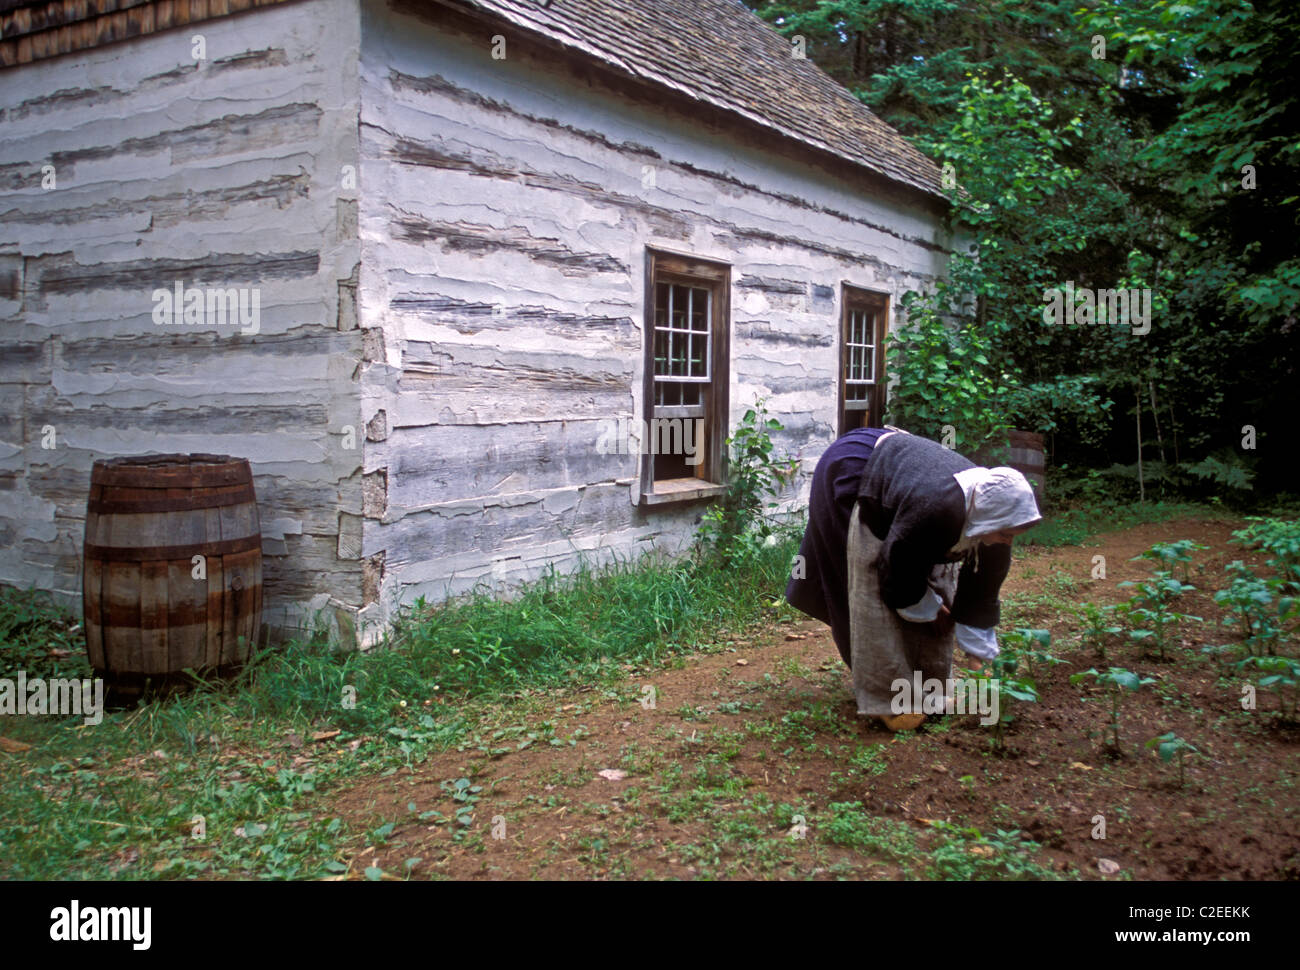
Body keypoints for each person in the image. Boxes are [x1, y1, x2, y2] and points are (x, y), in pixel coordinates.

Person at [785, 427, 1041, 731]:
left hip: (906, 486)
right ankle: (892, 701)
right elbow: (898, 573)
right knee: (863, 588)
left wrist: (981, 665)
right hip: (854, 469)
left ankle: (925, 690)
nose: (1007, 542)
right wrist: (929, 608)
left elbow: (980, 598)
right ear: (987, 517)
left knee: (934, 588)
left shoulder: (996, 527)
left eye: (1012, 535)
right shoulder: (936, 509)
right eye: (1006, 534)